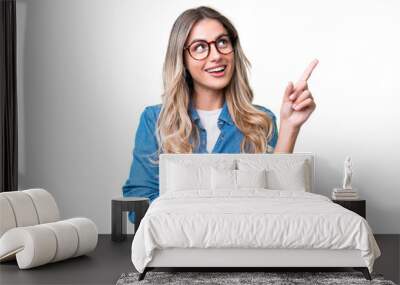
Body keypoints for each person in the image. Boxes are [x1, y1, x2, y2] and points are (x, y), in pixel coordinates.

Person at [122, 6, 318, 224]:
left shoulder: (262, 121)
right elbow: (136, 206)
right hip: (180, 249)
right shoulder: (155, 120)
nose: (216, 56)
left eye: (222, 42)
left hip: (245, 249)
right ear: (182, 59)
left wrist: (290, 127)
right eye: (200, 47)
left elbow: (276, 201)